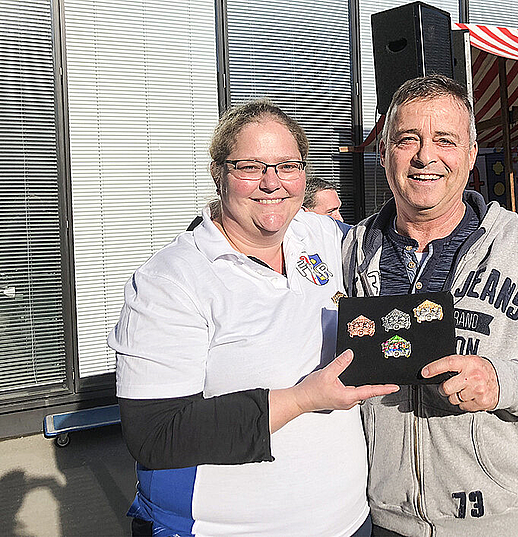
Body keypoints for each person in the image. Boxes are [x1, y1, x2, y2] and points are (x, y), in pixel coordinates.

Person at [107, 100, 398, 537]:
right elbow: (155, 435)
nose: (271, 183)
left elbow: (406, 235)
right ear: (217, 173)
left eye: (287, 166)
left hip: (348, 521)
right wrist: (300, 399)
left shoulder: (320, 235)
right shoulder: (171, 280)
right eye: (249, 166)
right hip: (217, 528)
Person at [342, 74, 518, 537]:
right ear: (384, 154)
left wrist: (503, 381)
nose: (426, 156)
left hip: (500, 521)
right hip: (382, 518)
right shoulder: (355, 248)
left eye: (445, 140)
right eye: (408, 140)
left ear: (469, 155)